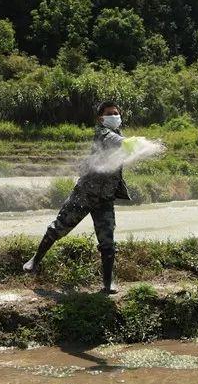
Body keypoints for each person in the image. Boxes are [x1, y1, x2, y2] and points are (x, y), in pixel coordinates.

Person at [23, 101, 138, 294]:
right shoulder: (103, 133)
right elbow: (115, 142)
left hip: (105, 198)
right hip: (85, 194)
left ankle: (108, 284)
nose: (114, 117)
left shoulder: (119, 136)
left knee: (107, 241)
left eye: (116, 114)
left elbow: (122, 147)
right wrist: (129, 143)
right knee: (59, 227)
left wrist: (130, 144)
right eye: (110, 114)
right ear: (100, 118)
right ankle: (34, 261)